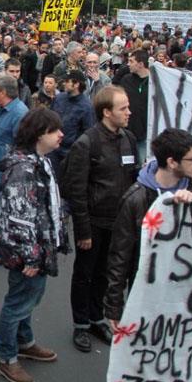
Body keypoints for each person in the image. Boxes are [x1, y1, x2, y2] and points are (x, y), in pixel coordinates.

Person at [104, 129, 192, 331]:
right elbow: (120, 256)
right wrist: (114, 307)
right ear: (172, 162)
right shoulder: (135, 199)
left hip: (188, 289)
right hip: (150, 289)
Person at [0, 108, 67, 382]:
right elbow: (19, 217)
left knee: (27, 298)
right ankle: (5, 356)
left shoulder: (39, 161)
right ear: (39, 134)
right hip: (29, 252)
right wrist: (31, 256)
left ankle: (24, 341)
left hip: (38, 247)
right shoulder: (23, 168)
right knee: (19, 301)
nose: (61, 134)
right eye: (55, 130)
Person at [59, 85, 137, 353]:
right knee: (84, 274)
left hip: (118, 223)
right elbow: (76, 190)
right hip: (92, 222)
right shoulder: (87, 143)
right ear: (106, 112)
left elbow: (134, 180)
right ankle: (80, 324)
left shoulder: (128, 139)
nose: (129, 112)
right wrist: (83, 231)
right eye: (123, 108)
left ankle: (96, 318)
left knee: (105, 273)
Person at [49, 70, 96, 171]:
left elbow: (88, 133)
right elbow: (50, 119)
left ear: (76, 84)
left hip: (70, 154)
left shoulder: (86, 107)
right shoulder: (59, 98)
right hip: (53, 150)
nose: (64, 83)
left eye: (67, 81)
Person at [119, 49, 150, 161]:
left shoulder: (154, 83)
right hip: (126, 132)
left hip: (144, 134)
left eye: (131, 61)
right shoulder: (126, 80)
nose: (128, 64)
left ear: (141, 64)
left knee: (141, 163)